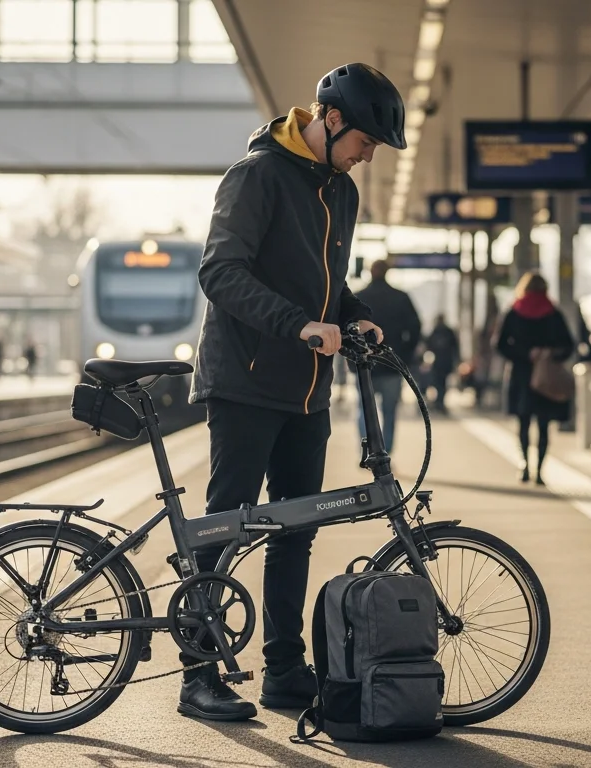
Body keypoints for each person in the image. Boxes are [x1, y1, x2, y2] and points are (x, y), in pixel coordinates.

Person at [185, 62, 403, 721]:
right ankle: (197, 674)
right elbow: (220, 272)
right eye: (365, 142)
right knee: (224, 526)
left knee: (295, 531)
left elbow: (327, 286)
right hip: (246, 382)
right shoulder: (256, 176)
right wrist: (299, 325)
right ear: (332, 121)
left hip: (308, 391)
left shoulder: (341, 192)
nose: (367, 157)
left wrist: (353, 312)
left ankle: (284, 670)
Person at [495, 272, 575, 486]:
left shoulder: (513, 311)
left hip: (521, 375)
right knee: (543, 424)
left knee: (522, 423)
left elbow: (500, 345)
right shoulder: (553, 313)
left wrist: (523, 355)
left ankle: (524, 465)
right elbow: (569, 345)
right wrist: (549, 354)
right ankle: (539, 469)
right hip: (545, 377)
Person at [354, 259, 421, 451]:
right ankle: (385, 453)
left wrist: (352, 357)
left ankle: (369, 452)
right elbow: (416, 327)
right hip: (392, 363)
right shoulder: (400, 297)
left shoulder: (359, 297)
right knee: (390, 412)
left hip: (363, 363)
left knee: (364, 410)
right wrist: (405, 354)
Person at [423, 315, 459, 413]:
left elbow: (428, 345)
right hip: (445, 361)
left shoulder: (436, 332)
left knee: (439, 382)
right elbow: (455, 347)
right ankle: (440, 402)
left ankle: (439, 402)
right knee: (441, 383)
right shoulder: (448, 332)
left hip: (439, 362)